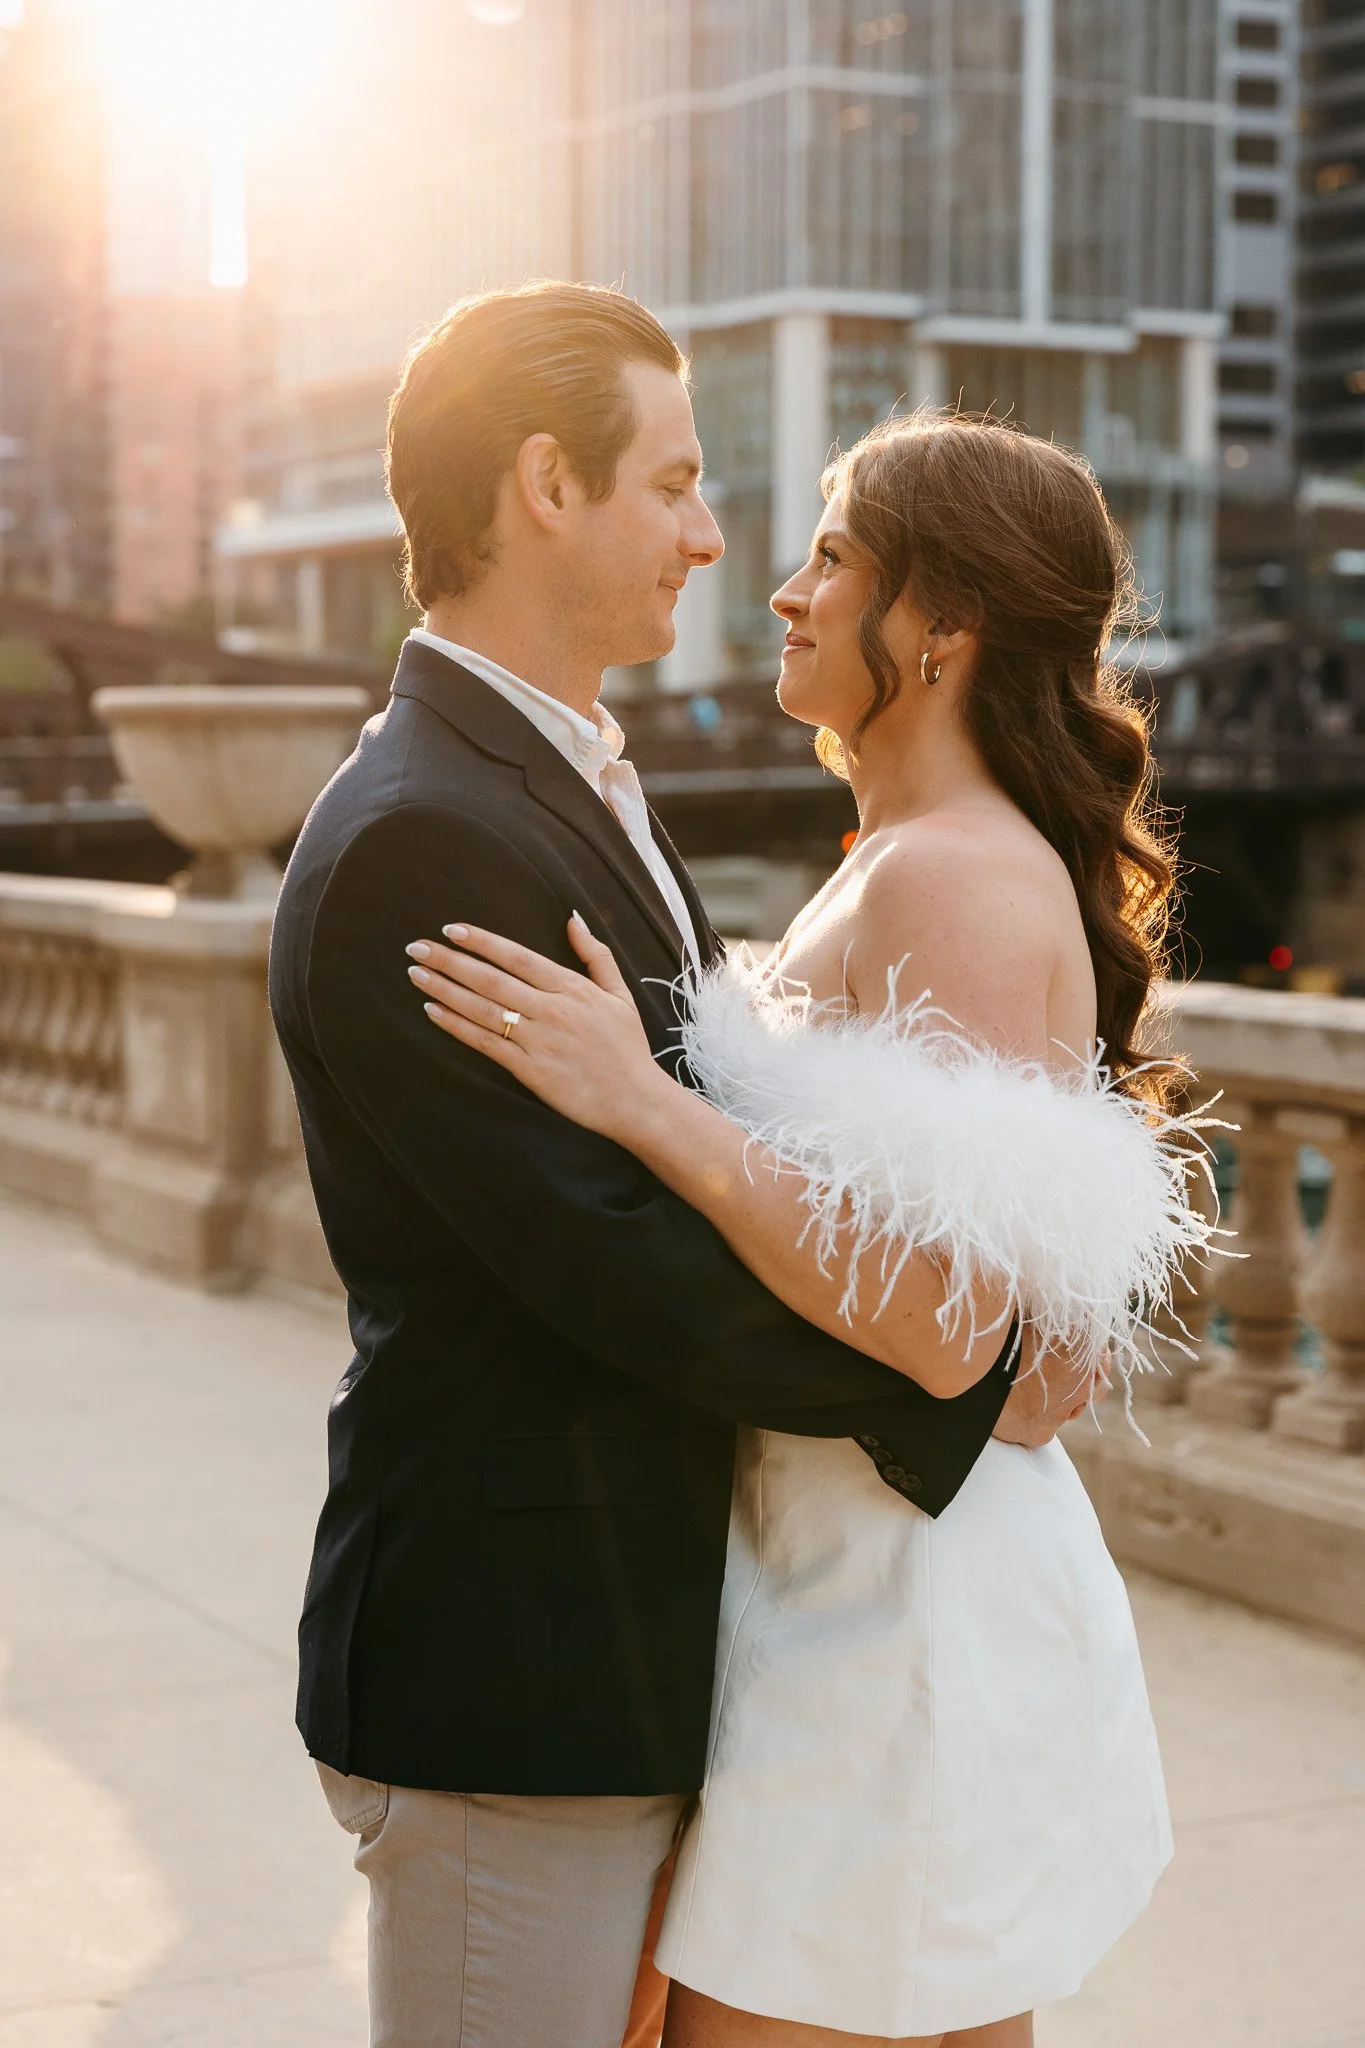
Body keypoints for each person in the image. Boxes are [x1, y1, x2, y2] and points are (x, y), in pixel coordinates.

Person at [268, 286, 1083, 2048]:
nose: (718, 541)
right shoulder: (426, 833)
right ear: (546, 484)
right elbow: (623, 1263)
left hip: (670, 1647)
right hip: (521, 1677)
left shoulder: (566, 782)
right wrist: (961, 1362)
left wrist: (974, 1321)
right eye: (678, 481)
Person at [405, 410, 1210, 2046]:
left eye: (833, 554)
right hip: (840, 1585)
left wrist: (647, 1104)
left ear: (945, 624)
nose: (783, 589)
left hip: (901, 1624)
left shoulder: (957, 884)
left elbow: (949, 1322)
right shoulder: (903, 860)